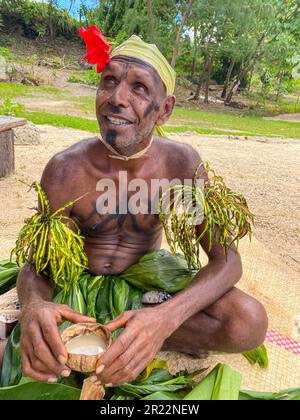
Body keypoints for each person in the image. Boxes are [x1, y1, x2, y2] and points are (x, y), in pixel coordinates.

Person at [0, 32, 268, 388]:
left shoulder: (179, 165)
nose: (116, 98)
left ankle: (147, 334)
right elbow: (37, 267)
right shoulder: (66, 169)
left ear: (165, 110)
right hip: (77, 291)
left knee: (249, 321)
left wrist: (165, 320)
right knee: (25, 351)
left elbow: (226, 261)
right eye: (108, 81)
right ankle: (104, 334)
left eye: (139, 88)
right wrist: (35, 307)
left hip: (145, 289)